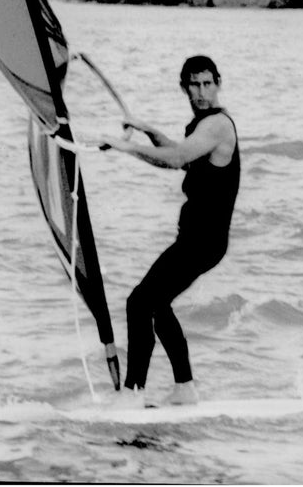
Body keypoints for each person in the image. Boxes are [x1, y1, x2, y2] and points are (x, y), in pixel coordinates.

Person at [98, 54, 240, 407]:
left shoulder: (218, 125)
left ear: (218, 84)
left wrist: (126, 146)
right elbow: (183, 156)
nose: (202, 91)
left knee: (139, 301)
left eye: (208, 83)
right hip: (196, 238)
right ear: (184, 87)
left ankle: (132, 393)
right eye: (195, 84)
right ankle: (185, 388)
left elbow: (176, 160)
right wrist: (148, 130)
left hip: (203, 241)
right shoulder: (200, 126)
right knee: (158, 305)